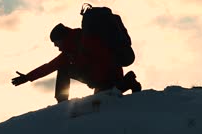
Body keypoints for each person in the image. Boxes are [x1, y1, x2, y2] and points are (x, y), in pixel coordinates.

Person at [11, 23, 141, 102]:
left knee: (64, 69)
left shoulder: (80, 44)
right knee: (106, 97)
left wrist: (98, 79)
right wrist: (28, 77)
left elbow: (104, 57)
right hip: (109, 75)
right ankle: (127, 81)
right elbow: (49, 67)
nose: (56, 46)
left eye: (56, 42)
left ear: (62, 38)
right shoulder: (74, 45)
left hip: (105, 75)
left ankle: (62, 103)